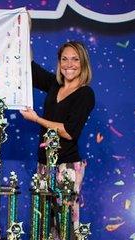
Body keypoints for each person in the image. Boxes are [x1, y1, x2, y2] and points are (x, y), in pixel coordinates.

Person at [20, 41, 95, 226]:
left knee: (65, 224)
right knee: (45, 223)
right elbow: (29, 66)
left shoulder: (85, 94)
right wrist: (24, 28)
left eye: (75, 59)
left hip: (67, 167)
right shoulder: (55, 84)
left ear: (83, 63)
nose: (69, 64)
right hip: (44, 164)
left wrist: (37, 119)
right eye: (64, 59)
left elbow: (69, 132)